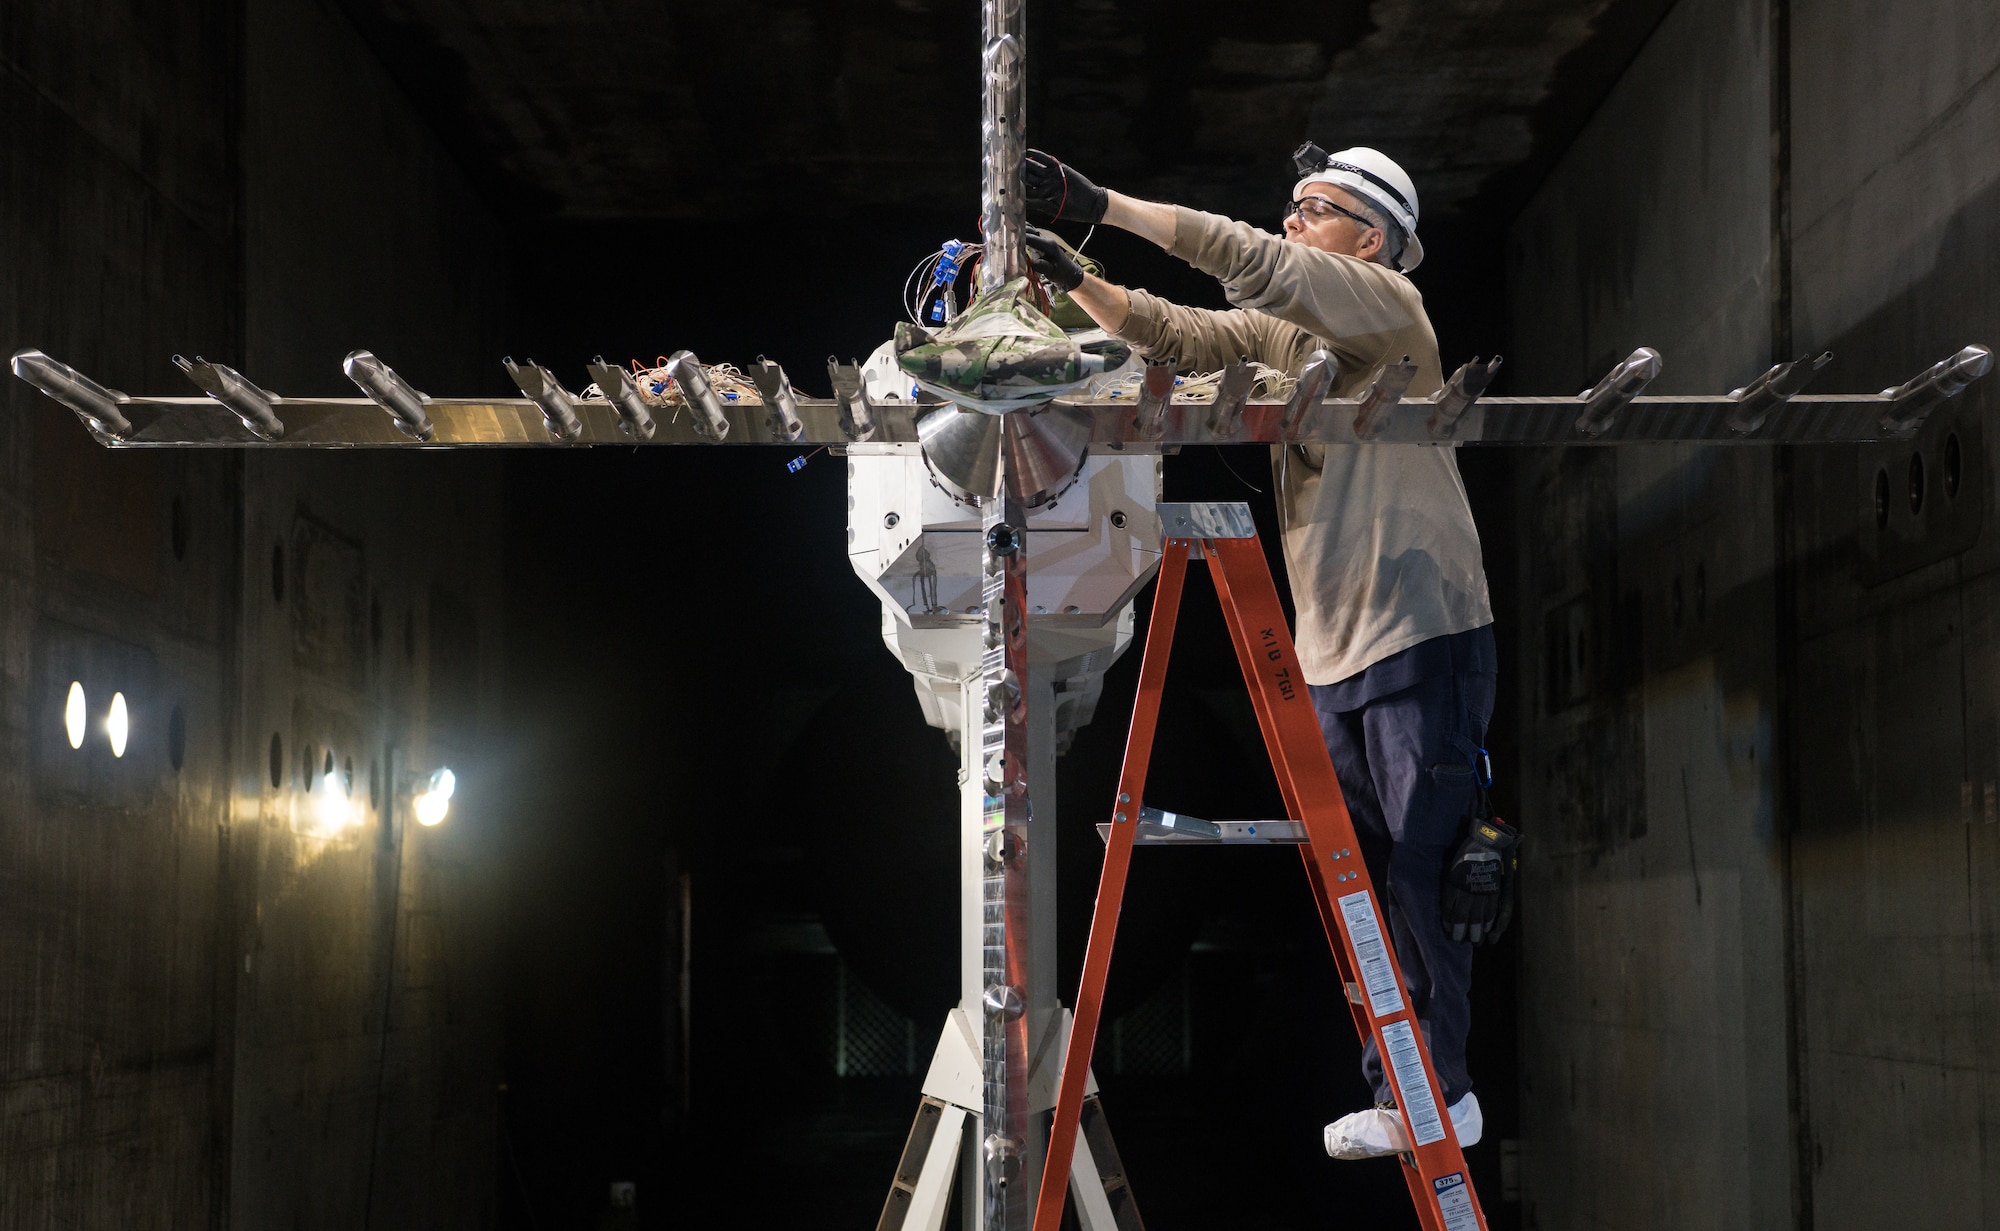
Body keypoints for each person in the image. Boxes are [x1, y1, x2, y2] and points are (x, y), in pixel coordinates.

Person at [1020, 144, 1519, 1158]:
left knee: (1423, 874)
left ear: (1369, 238)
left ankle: (1448, 1092)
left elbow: (1255, 264)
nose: (1291, 222)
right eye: (1288, 205)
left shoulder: (1388, 313)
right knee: (1367, 890)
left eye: (1315, 208)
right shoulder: (1288, 345)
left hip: (1422, 628)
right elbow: (1182, 330)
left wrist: (1100, 204)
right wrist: (1071, 280)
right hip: (1334, 652)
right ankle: (1401, 1089)